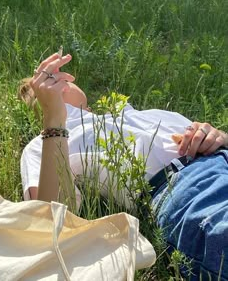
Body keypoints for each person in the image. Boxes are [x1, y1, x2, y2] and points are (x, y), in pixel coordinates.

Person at [21, 52, 228, 280]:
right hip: (187, 189)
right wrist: (54, 120)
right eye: (45, 82)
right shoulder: (44, 142)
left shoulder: (141, 114)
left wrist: (218, 137)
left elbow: (212, 138)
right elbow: (52, 222)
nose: (57, 79)